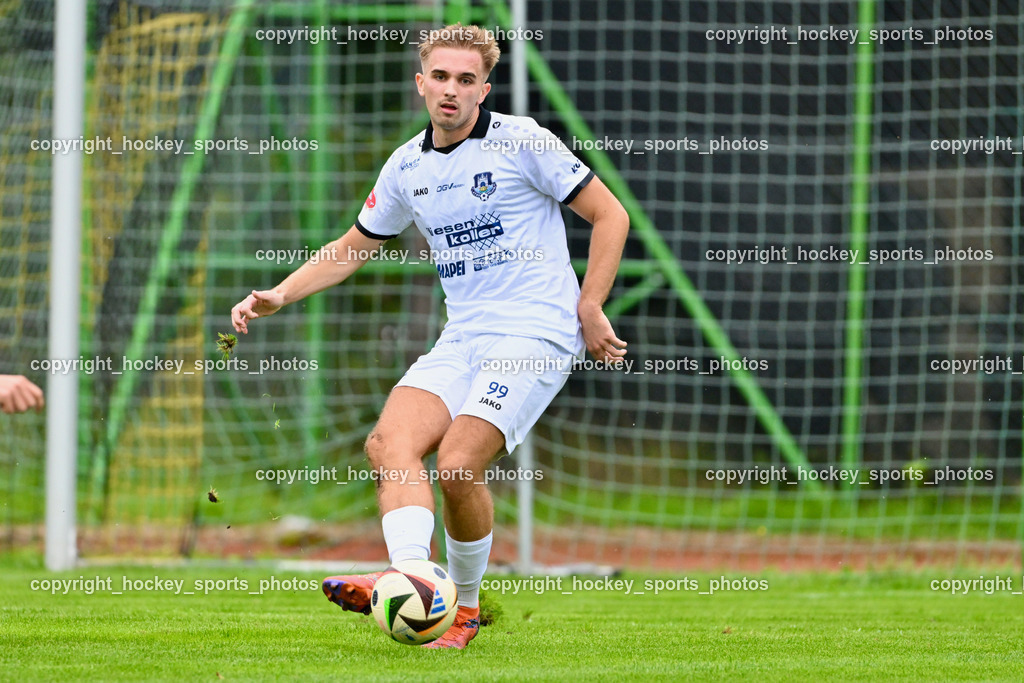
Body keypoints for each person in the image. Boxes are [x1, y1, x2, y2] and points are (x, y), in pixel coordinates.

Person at [231, 23, 628, 649]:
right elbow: (353, 247)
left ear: (483, 89)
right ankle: (412, 576)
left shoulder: (523, 141)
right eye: (440, 77)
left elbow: (611, 214)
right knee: (390, 442)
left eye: (465, 80)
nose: (451, 89)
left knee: (459, 464)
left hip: (536, 335)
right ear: (421, 84)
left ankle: (464, 608)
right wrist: (282, 292)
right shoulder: (407, 166)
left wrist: (590, 304)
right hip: (465, 337)